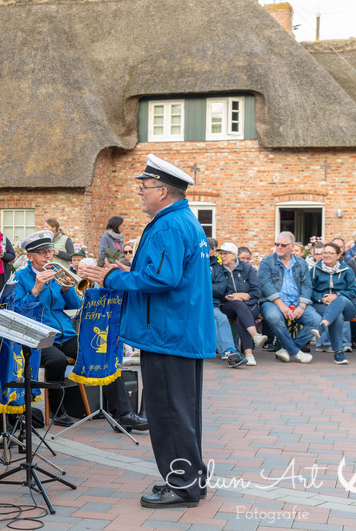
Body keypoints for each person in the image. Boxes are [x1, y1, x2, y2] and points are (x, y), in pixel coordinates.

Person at [79, 154, 214, 509]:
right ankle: (190, 477)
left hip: (167, 333)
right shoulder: (184, 220)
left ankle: (183, 485)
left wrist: (112, 277)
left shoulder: (168, 225)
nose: (140, 191)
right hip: (179, 330)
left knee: (168, 411)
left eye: (146, 186)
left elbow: (162, 279)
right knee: (183, 411)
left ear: (164, 192)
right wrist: (123, 269)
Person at [16, 230, 146, 431]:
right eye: (42, 253)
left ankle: (124, 414)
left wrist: (67, 289)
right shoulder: (20, 278)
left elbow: (75, 304)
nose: (48, 257)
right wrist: (35, 289)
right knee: (57, 360)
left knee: (100, 354)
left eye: (49, 252)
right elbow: (18, 311)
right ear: (30, 256)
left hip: (65, 333)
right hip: (39, 334)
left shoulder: (57, 273)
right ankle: (58, 411)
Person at [257, 231, 322, 364]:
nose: (279, 247)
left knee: (316, 320)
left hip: (296, 302)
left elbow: (307, 286)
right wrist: (281, 305)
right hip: (273, 302)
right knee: (274, 317)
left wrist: (302, 306)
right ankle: (296, 351)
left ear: (292, 246)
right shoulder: (267, 261)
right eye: (277, 244)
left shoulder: (301, 263)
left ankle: (287, 349)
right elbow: (265, 285)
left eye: (283, 245)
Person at [214, 242, 265, 366]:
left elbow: (257, 291)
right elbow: (220, 291)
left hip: (250, 305)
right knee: (238, 305)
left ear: (234, 255)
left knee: (241, 314)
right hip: (229, 305)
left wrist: (244, 297)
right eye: (221, 254)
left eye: (225, 254)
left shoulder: (246, 268)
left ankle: (249, 354)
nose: (222, 256)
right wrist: (233, 296)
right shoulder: (220, 270)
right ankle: (254, 338)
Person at [310, 242, 356, 365]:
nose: (326, 255)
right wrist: (321, 299)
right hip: (322, 305)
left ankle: (322, 326)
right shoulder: (315, 270)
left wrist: (336, 296)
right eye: (324, 253)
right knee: (337, 315)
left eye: (330, 253)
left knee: (340, 300)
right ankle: (339, 353)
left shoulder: (347, 270)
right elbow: (308, 291)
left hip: (347, 306)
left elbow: (354, 292)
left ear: (338, 255)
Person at [208, 238, 246, 369]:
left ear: (212, 251)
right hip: (194, 305)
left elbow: (220, 288)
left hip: (212, 304)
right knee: (212, 320)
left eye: (206, 249)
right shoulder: (193, 264)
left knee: (221, 318)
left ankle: (230, 352)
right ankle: (228, 353)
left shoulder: (216, 267)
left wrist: (202, 285)